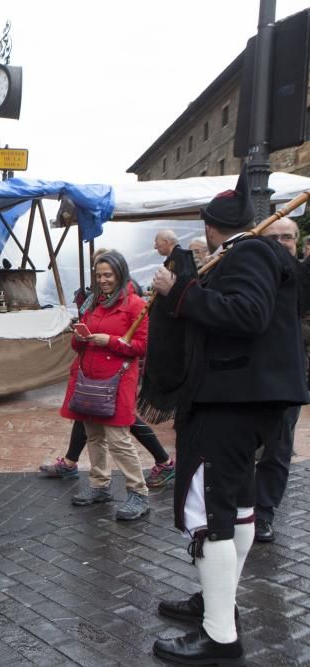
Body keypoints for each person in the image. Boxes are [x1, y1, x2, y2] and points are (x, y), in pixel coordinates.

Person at [150, 170, 307, 664]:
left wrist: (180, 293)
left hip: (229, 406)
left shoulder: (251, 252)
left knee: (207, 514)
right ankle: (217, 604)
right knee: (236, 509)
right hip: (239, 405)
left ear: (211, 227)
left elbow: (248, 314)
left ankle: (220, 635)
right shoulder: (250, 254)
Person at [60, 250, 150, 521]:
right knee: (94, 435)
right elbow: (79, 347)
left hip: (118, 381)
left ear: (120, 274)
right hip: (90, 380)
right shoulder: (92, 304)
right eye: (99, 276)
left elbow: (142, 347)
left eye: (108, 275)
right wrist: (80, 336)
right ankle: (100, 485)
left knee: (119, 439)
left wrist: (108, 341)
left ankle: (139, 492)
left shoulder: (135, 305)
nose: (103, 280)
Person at [252, 216, 304, 543]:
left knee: (277, 450)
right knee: (240, 449)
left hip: (287, 382)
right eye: (275, 237)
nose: (282, 242)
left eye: (288, 237)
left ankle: (263, 512)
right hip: (247, 380)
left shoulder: (303, 277)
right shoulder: (248, 277)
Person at [39, 418, 175, 488]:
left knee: (125, 417)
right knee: (84, 409)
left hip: (115, 373)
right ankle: (69, 463)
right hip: (99, 373)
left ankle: (139, 489)